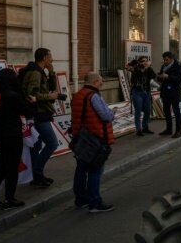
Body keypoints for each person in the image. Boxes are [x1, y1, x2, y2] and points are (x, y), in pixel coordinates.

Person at [0, 68, 36, 209]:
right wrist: (32, 102)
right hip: (12, 135)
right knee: (12, 168)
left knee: (3, 166)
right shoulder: (13, 95)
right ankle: (9, 199)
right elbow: (28, 112)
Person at [70, 72, 115, 213]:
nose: (102, 84)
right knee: (95, 170)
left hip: (80, 138)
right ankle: (95, 202)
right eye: (101, 82)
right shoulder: (94, 96)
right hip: (95, 138)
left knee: (81, 170)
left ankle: (80, 199)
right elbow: (105, 115)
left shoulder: (78, 95)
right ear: (95, 81)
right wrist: (113, 113)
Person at [20, 48, 59, 186]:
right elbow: (32, 95)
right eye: (50, 56)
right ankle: (37, 172)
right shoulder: (35, 73)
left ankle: (36, 176)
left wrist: (52, 72)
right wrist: (51, 96)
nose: (52, 58)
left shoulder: (41, 71)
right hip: (38, 114)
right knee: (52, 143)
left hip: (40, 112)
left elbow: (51, 89)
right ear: (44, 58)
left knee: (36, 146)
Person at [157, 51, 181, 138]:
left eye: (167, 60)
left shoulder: (177, 67)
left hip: (174, 93)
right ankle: (169, 129)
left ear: (171, 59)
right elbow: (161, 78)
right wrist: (160, 77)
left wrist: (168, 77)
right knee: (166, 111)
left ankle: (178, 131)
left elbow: (180, 79)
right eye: (164, 60)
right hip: (165, 92)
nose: (165, 61)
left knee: (176, 111)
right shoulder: (163, 66)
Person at [127, 56, 157, 136]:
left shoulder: (148, 69)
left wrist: (149, 68)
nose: (145, 62)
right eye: (143, 61)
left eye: (146, 61)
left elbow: (154, 76)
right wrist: (141, 69)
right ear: (139, 62)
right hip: (137, 92)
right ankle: (138, 129)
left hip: (146, 93)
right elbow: (135, 80)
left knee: (147, 110)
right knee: (138, 111)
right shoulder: (135, 70)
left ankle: (145, 127)